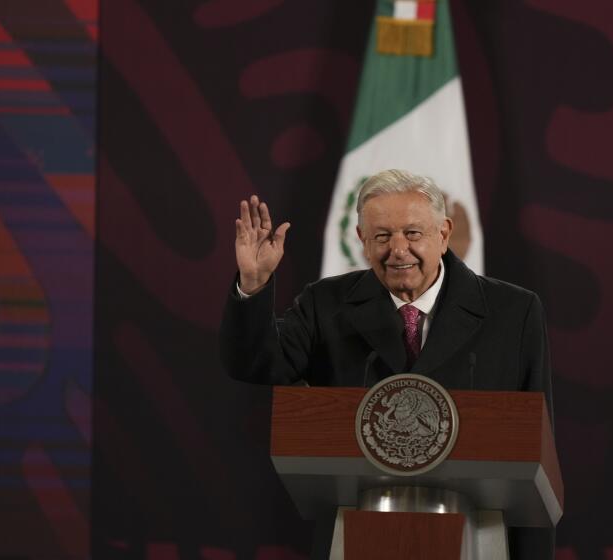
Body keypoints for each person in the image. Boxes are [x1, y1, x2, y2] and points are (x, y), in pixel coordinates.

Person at [220, 169, 555, 559]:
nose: (397, 250)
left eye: (413, 233)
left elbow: (537, 451)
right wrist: (253, 284)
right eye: (382, 236)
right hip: (357, 532)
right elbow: (256, 364)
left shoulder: (513, 313)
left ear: (443, 234)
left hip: (479, 539)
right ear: (362, 239)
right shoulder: (326, 304)